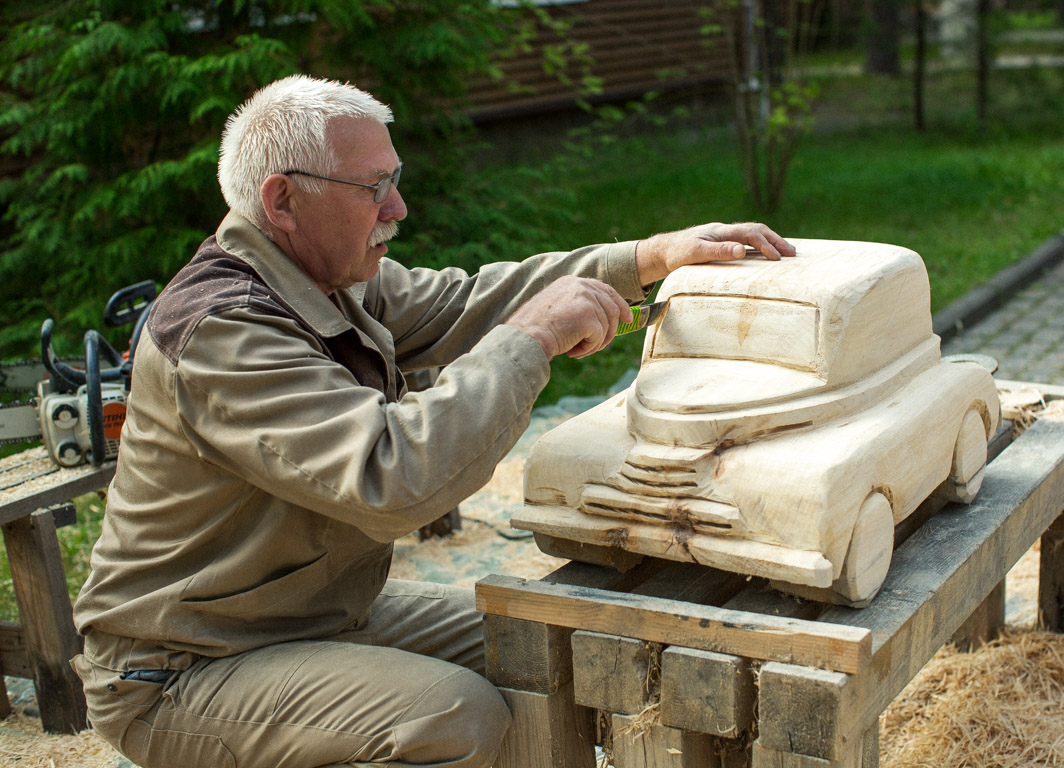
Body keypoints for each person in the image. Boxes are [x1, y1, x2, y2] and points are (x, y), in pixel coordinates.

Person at [70, 74, 794, 768]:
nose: (399, 207)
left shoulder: (321, 278)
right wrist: (533, 338)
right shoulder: (226, 332)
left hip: (304, 616)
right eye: (373, 188)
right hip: (182, 667)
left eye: (395, 178)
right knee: (454, 716)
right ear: (283, 199)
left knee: (549, 646)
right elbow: (394, 478)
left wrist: (646, 258)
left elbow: (464, 302)